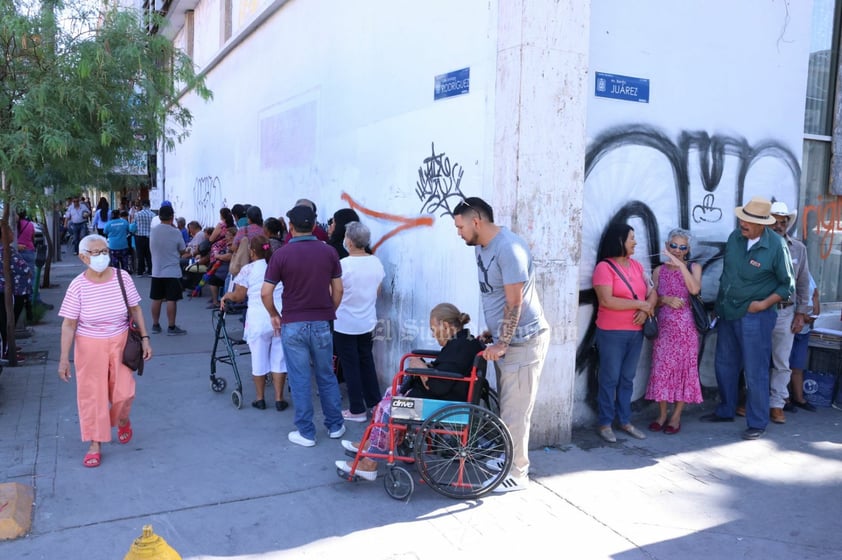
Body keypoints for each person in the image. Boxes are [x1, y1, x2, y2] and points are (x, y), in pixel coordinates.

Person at [452, 197, 551, 492]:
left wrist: (503, 342)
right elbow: (494, 295)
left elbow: (514, 301)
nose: (458, 233)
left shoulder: (509, 249)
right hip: (505, 339)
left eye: (460, 227)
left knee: (515, 411)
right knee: (507, 407)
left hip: (523, 341)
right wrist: (492, 333)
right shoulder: (481, 247)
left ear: (476, 221)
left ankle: (518, 473)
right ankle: (509, 458)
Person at [335, 303, 485, 480]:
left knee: (389, 409)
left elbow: (439, 386)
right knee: (392, 392)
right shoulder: (464, 340)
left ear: (445, 326)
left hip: (442, 403)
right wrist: (425, 367)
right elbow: (446, 372)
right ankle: (372, 444)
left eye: (433, 328)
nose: (432, 333)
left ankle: (370, 464)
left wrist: (421, 367)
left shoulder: (460, 346)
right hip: (443, 397)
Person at [700, 196, 794, 440]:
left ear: (763, 224)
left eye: (749, 221)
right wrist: (718, 306)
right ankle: (725, 410)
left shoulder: (776, 246)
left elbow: (787, 286)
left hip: (756, 316)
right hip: (727, 311)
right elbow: (727, 276)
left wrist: (762, 304)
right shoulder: (735, 238)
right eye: (743, 217)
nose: (743, 223)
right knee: (724, 364)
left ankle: (757, 421)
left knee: (756, 370)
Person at [57, 234, 152, 467]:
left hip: (121, 341)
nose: (102, 256)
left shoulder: (123, 277)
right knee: (93, 395)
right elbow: (69, 324)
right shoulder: (77, 285)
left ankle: (122, 418)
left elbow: (136, 310)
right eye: (95, 252)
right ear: (83, 257)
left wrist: (146, 338)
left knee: (125, 392)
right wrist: (63, 359)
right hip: (89, 344)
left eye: (104, 251)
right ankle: (95, 442)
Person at [261, 204, 344, 447]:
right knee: (326, 375)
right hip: (321, 322)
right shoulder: (329, 252)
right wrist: (330, 310)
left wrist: (274, 314)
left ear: (291, 227)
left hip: (293, 323)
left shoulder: (282, 255)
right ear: (315, 225)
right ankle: (335, 425)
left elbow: (266, 292)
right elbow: (338, 289)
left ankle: (306, 432)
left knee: (299, 378)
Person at [590, 222, 657, 444]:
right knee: (610, 378)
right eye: (631, 238)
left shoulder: (637, 267)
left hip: (635, 333)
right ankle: (605, 423)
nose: (635, 242)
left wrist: (646, 307)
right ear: (619, 240)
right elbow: (607, 300)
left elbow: (652, 292)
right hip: (611, 333)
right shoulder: (604, 268)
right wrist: (640, 305)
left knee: (627, 378)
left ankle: (625, 420)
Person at [645, 228, 703, 435]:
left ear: (688, 250)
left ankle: (676, 416)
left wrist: (680, 265)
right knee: (662, 370)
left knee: (683, 372)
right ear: (667, 246)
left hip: (686, 331)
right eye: (674, 246)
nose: (677, 250)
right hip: (664, 330)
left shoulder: (694, 267)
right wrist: (664, 300)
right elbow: (651, 300)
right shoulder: (659, 271)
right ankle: (661, 414)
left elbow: (694, 289)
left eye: (682, 247)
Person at [220, 236, 288, 411]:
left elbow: (239, 296)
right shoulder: (278, 267)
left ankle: (260, 398)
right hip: (278, 317)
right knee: (279, 360)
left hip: (258, 319)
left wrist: (227, 296)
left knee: (258, 359)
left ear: (252, 251)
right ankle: (279, 399)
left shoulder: (248, 270)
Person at [333, 222, 385, 422]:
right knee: (366, 361)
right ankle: (375, 404)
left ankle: (357, 409)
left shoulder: (343, 265)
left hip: (345, 321)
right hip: (367, 320)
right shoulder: (376, 263)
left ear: (350, 241)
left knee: (350, 365)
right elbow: (377, 291)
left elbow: (336, 291)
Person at [767, 201, 812, 424]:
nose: (779, 226)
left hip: (786, 311)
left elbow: (803, 283)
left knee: (782, 362)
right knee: (754, 359)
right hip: (761, 310)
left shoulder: (798, 248)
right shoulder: (758, 245)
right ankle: (751, 400)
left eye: (783, 222)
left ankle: (777, 403)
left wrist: (801, 314)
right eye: (775, 222)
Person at [149, 205, 187, 335]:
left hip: (156, 270)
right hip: (172, 270)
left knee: (156, 298)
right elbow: (182, 250)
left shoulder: (153, 231)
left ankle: (155, 324)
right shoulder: (175, 232)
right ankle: (171, 327)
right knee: (171, 299)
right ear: (172, 217)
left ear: (159, 217)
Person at [787, 277, 819, 412]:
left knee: (798, 366)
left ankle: (799, 398)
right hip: (791, 326)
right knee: (784, 365)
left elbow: (815, 296)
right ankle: (783, 399)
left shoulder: (810, 277)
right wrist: (801, 315)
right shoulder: (790, 274)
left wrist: (814, 315)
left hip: (805, 329)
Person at [0, 237, 33, 362]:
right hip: (12, 291)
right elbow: (21, 268)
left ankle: (9, 347)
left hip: (16, 290)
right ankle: (6, 351)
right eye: (7, 229)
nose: (11, 232)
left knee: (8, 320)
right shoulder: (5, 251)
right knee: (7, 321)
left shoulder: (8, 249)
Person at [133, 201, 154, 276]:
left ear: (142, 205)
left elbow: (134, 224)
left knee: (140, 254)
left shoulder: (137, 214)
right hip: (149, 236)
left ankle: (140, 272)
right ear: (149, 205)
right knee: (149, 254)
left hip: (139, 236)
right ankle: (150, 271)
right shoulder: (153, 215)